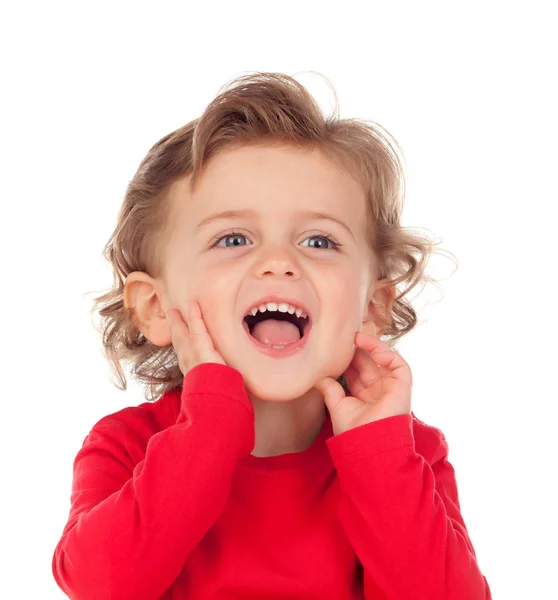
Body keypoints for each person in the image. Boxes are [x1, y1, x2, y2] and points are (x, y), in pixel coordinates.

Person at [51, 71, 492, 599]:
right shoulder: (126, 446)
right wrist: (211, 420)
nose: (280, 262)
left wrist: (377, 453)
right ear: (154, 308)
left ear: (371, 307)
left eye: (319, 240)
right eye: (234, 238)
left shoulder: (405, 452)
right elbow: (101, 585)